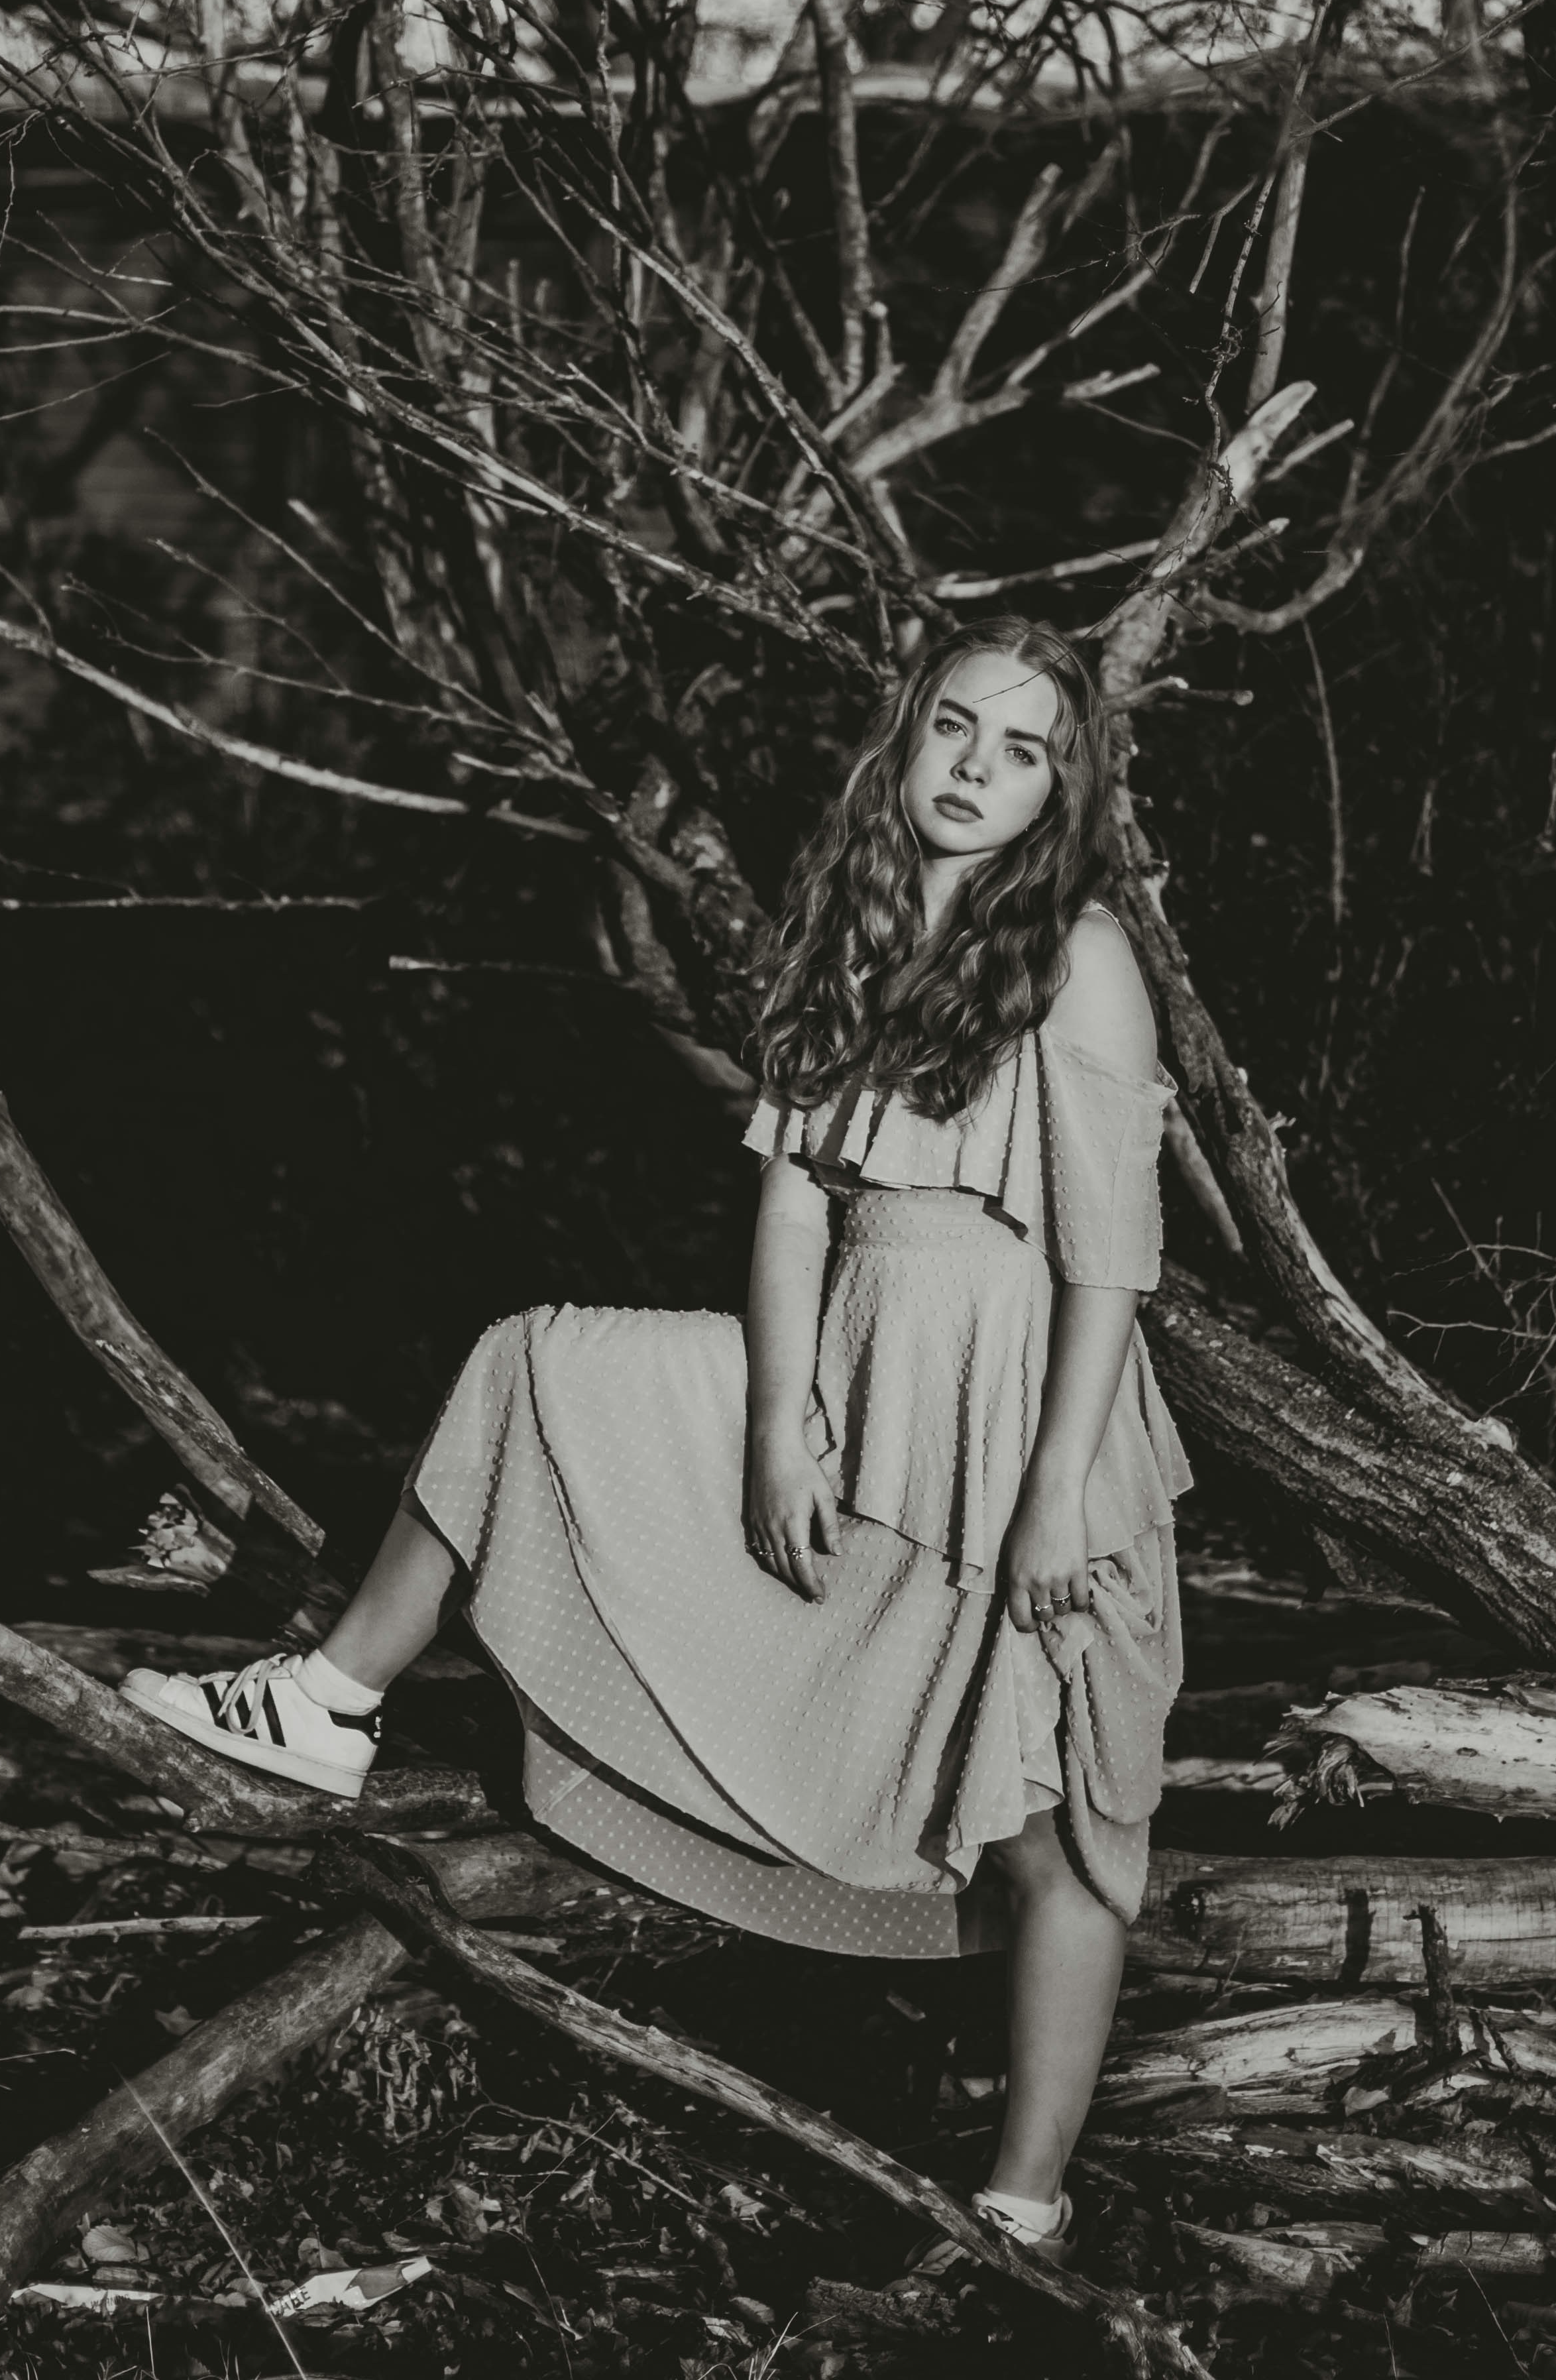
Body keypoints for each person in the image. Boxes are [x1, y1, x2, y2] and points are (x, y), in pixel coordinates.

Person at [123, 617, 1189, 2260]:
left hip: (1017, 1404)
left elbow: (1112, 1262)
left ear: (1066, 787)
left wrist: (1054, 1495)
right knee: (541, 1364)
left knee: (1055, 1824)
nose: (976, 767)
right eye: (954, 729)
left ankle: (1021, 2204)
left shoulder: (1080, 956)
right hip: (851, 1361)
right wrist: (775, 1418)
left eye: (1023, 747)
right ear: (903, 739)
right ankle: (333, 1694)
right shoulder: (862, 921)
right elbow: (791, 1193)